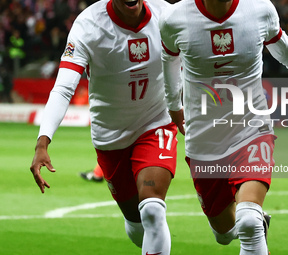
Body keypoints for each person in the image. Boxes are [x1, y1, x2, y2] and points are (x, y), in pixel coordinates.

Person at [159, 0, 288, 254]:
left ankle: (254, 220)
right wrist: (174, 104)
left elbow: (278, 41)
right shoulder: (174, 18)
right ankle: (251, 222)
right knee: (224, 232)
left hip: (251, 128)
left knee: (249, 223)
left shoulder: (259, 8)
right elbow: (169, 61)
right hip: (203, 139)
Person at [30, 1, 177, 254]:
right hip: (110, 137)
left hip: (156, 124)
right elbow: (64, 88)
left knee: (152, 209)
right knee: (137, 224)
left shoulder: (167, 15)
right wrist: (43, 141)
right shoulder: (88, 26)